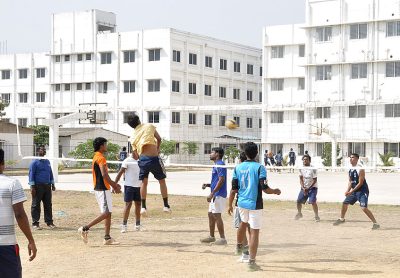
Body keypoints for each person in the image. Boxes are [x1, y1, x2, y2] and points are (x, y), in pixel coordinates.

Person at [231, 142, 281, 271]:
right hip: (255, 203)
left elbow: (234, 188)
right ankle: (252, 263)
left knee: (243, 222)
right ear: (256, 153)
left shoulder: (237, 168)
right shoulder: (260, 168)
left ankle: (238, 245)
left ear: (245, 153)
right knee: (254, 232)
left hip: (241, 202)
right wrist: (275, 191)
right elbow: (264, 188)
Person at [0, 149, 37, 278]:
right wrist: (31, 240)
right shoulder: (12, 183)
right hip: (5, 245)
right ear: (3, 163)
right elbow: (19, 214)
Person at [78, 137, 122, 245]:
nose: (106, 146)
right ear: (101, 146)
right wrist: (115, 186)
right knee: (106, 213)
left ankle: (107, 238)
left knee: (108, 213)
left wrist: (112, 185)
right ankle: (85, 228)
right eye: (105, 144)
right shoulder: (101, 158)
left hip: (100, 188)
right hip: (102, 189)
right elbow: (104, 175)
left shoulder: (96, 156)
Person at [127, 114, 171, 216]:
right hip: (154, 158)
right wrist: (158, 148)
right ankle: (166, 205)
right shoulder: (149, 126)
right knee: (162, 181)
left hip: (143, 160)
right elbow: (159, 139)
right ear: (138, 120)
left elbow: (135, 155)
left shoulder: (132, 136)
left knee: (144, 182)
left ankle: (143, 207)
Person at [333, 153, 380, 230]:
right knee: (345, 203)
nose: (351, 159)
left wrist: (351, 192)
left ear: (357, 159)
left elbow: (360, 183)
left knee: (364, 208)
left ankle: (375, 223)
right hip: (354, 191)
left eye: (353, 158)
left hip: (362, 190)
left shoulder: (360, 169)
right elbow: (350, 181)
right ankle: (342, 219)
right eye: (350, 158)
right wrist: (347, 191)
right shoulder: (350, 169)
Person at [200, 147, 228, 245]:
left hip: (219, 194)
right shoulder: (216, 165)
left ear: (217, 154)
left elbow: (221, 180)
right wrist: (208, 185)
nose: (210, 154)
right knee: (210, 215)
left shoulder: (220, 165)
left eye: (212, 152)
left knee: (217, 215)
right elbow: (217, 181)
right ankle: (212, 237)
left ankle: (222, 239)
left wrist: (212, 193)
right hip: (215, 193)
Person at [29, 145, 56, 230]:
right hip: (37, 186)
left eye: (44, 150)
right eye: (42, 150)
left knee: (48, 204)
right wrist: (32, 187)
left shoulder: (47, 161)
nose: (44, 151)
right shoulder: (34, 162)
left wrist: (52, 183)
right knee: (36, 205)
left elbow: (50, 173)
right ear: (38, 151)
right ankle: (35, 223)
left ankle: (49, 222)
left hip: (47, 186)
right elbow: (31, 175)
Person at [115, 150, 143, 233]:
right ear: (133, 151)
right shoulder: (127, 160)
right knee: (128, 205)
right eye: (135, 150)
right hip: (129, 186)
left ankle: (137, 225)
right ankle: (124, 225)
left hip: (139, 186)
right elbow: (120, 172)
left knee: (138, 204)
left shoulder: (141, 160)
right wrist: (114, 185)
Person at [295, 154, 320, 222]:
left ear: (309, 161)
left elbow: (315, 180)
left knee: (313, 202)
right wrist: (303, 187)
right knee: (298, 201)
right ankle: (299, 213)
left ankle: (316, 216)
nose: (305, 161)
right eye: (304, 159)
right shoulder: (301, 168)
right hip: (304, 188)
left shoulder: (313, 169)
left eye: (306, 159)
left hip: (312, 188)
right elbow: (300, 179)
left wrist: (308, 188)